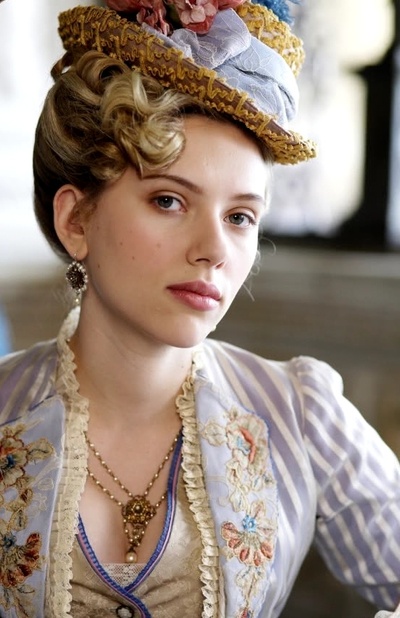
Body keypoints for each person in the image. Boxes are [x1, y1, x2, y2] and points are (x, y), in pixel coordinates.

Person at [0, 1, 399, 617]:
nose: (214, 249)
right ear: (76, 220)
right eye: (168, 200)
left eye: (240, 216)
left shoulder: (302, 413)